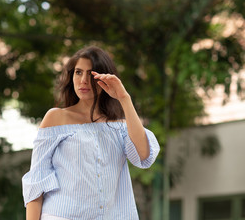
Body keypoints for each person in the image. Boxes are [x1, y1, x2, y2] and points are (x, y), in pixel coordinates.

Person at [22, 46, 160, 220]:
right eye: (78, 72)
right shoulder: (56, 118)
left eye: (91, 74)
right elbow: (37, 180)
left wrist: (124, 98)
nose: (83, 80)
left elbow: (143, 156)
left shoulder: (120, 126)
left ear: (104, 78)